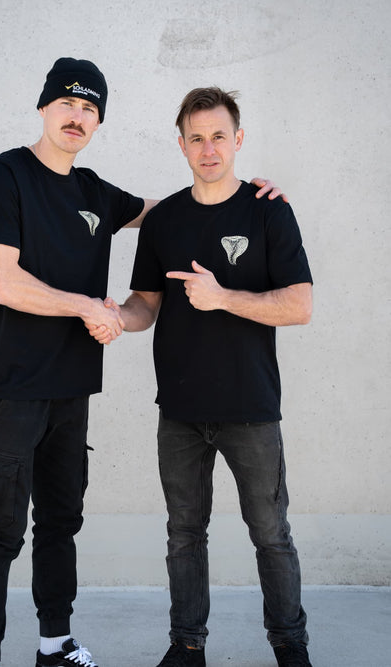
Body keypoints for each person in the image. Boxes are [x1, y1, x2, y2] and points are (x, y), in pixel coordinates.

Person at [0, 57, 284, 667]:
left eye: (89, 108)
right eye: (67, 103)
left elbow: (175, 209)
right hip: (8, 385)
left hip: (71, 387)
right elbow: (0, 282)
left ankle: (55, 645)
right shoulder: (1, 177)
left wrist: (248, 196)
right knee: (0, 531)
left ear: (99, 120)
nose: (77, 116)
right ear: (43, 107)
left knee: (60, 522)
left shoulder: (93, 192)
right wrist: (88, 305)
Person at [91, 87, 313, 667]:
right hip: (180, 411)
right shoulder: (164, 220)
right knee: (184, 534)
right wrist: (116, 318)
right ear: (182, 145)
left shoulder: (269, 211)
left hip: (251, 407)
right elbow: (146, 304)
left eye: (218, 136)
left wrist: (224, 297)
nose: (208, 148)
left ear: (237, 140)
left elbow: (299, 305)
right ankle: (187, 645)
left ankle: (290, 646)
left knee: (271, 534)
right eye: (197, 138)